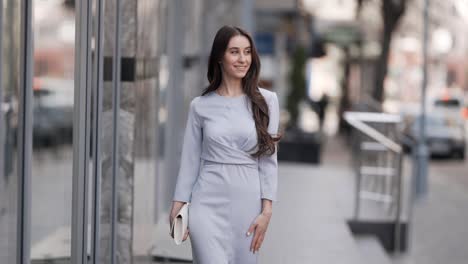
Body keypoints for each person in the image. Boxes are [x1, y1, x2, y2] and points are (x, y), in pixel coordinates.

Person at [169, 25, 280, 264]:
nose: (243, 59)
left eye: (247, 52)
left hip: (248, 208)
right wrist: (178, 205)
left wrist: (267, 211)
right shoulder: (200, 106)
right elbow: (189, 160)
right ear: (220, 57)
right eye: (235, 52)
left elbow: (269, 161)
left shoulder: (267, 102)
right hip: (206, 205)